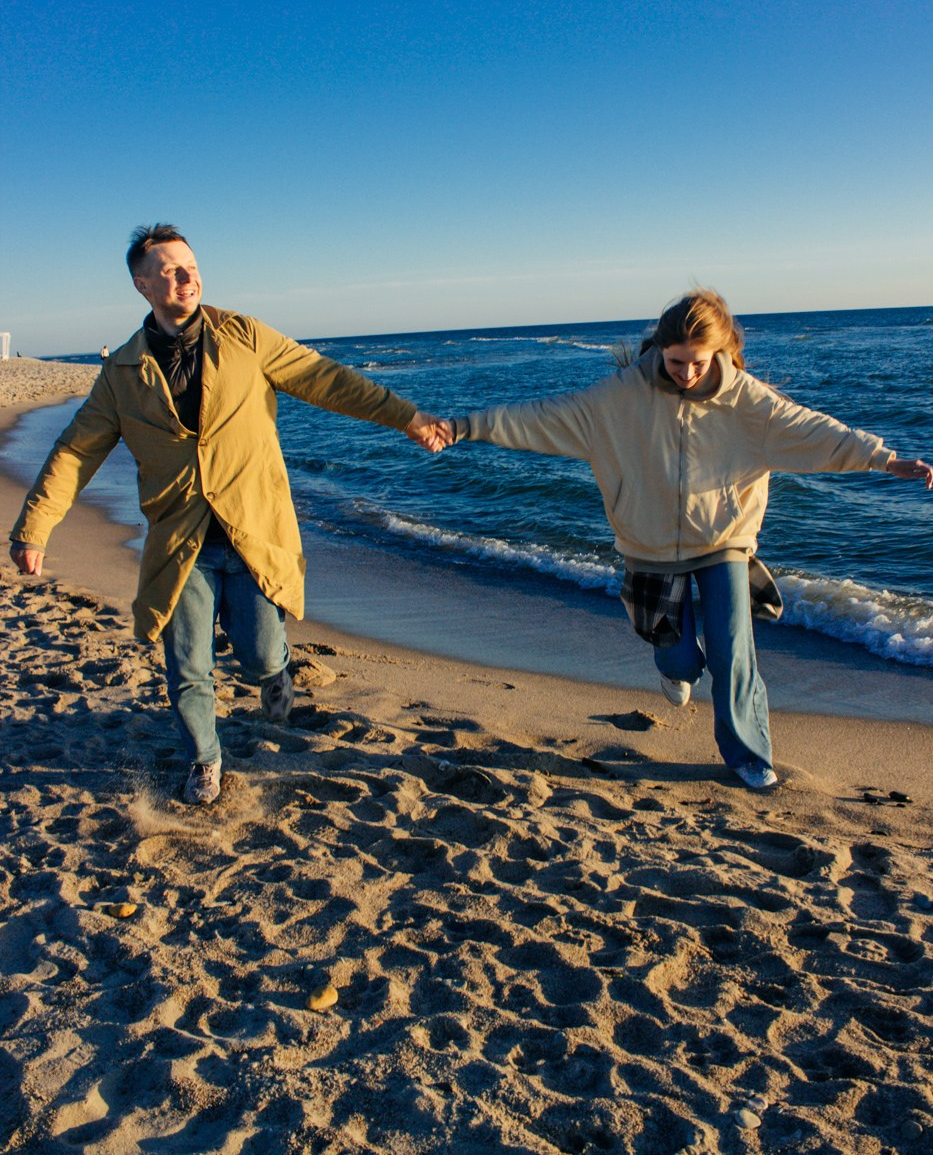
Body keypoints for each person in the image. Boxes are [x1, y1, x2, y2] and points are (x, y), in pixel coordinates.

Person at [10, 224, 448, 806]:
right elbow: (75, 451)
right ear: (143, 285)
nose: (186, 277)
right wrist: (34, 528)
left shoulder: (244, 336)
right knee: (187, 664)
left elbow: (327, 379)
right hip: (180, 542)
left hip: (253, 531)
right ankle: (204, 761)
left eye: (190, 266)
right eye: (169, 270)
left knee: (259, 653)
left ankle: (277, 673)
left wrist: (405, 416)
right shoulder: (122, 374)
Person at [443, 289, 932, 790]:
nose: (687, 373)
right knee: (678, 658)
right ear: (660, 348)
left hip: (724, 540)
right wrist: (461, 427)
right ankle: (676, 666)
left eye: (699, 362)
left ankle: (748, 755)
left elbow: (813, 432)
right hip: (650, 548)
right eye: (677, 362)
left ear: (719, 351)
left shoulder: (748, 401)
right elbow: (539, 418)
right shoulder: (619, 397)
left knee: (732, 651)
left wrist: (884, 459)